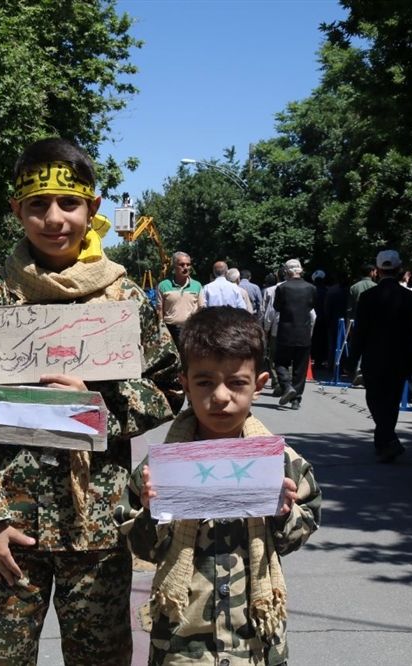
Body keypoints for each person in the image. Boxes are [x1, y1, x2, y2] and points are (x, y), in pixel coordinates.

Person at [0, 137, 181, 665]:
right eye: (37, 205)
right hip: (11, 529)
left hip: (96, 531)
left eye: (69, 204)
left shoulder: (123, 300)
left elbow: (170, 386)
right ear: (17, 210)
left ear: (92, 208)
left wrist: (99, 405)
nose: (54, 219)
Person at [122, 306, 321, 665]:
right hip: (182, 643)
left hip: (255, 643)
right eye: (205, 382)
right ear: (184, 383)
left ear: (259, 385)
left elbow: (302, 528)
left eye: (237, 382)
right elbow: (141, 547)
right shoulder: (163, 466)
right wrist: (152, 513)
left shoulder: (278, 462)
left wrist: (284, 513)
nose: (221, 396)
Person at [349, 250, 412, 463]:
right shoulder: (410, 298)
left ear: (377, 271)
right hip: (400, 357)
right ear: (399, 270)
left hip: (374, 356)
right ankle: (386, 440)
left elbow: (360, 332)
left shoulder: (368, 297)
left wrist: (352, 359)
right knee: (392, 399)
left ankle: (386, 439)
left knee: (375, 397)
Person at [272, 259, 317, 410]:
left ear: (287, 271)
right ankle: (296, 399)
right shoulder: (311, 288)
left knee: (280, 362)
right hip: (304, 332)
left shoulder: (283, 288)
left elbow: (277, 307)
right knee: (300, 367)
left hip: (286, 331)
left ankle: (286, 386)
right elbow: (312, 306)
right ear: (301, 270)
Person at [157, 251, 201, 346]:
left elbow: (201, 308)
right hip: (170, 331)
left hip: (190, 329)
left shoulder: (197, 286)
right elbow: (159, 310)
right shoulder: (163, 285)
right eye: (182, 264)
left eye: (188, 265)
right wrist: (161, 329)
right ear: (174, 266)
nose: (185, 267)